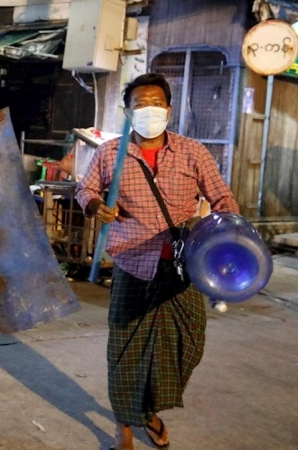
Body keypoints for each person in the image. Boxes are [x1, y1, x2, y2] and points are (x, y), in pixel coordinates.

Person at [75, 73, 240, 450]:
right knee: (124, 350)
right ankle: (124, 429)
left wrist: (227, 233)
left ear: (168, 108)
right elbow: (85, 188)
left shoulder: (193, 152)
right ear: (129, 112)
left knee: (188, 344)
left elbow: (223, 199)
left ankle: (147, 410)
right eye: (139, 104)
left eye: (155, 103)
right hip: (133, 265)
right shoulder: (111, 153)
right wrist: (97, 205)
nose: (148, 110)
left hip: (182, 269)